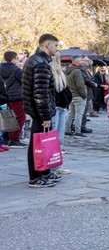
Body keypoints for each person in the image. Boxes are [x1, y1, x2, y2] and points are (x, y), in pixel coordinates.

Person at [22, 34, 63, 187]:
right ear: (47, 45)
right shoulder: (40, 63)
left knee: (40, 143)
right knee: (37, 144)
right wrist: (45, 116)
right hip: (39, 111)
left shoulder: (35, 60)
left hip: (36, 110)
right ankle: (35, 177)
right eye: (56, 45)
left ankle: (44, 172)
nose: (57, 49)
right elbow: (40, 93)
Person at [49, 53, 72, 174]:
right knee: (53, 139)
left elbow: (64, 90)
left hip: (61, 107)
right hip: (55, 108)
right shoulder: (48, 72)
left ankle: (56, 166)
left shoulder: (59, 73)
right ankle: (53, 167)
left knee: (58, 139)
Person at [0, 51, 27, 147]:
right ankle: (14, 138)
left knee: (9, 117)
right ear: (13, 59)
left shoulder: (0, 68)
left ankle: (8, 136)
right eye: (17, 59)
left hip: (5, 97)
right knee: (20, 117)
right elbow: (23, 81)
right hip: (17, 96)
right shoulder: (16, 70)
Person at [64, 55, 88, 137]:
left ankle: (67, 129)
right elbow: (80, 85)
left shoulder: (66, 70)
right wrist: (84, 96)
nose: (81, 61)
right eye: (80, 60)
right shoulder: (77, 71)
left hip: (70, 95)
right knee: (79, 114)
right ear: (76, 61)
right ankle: (78, 131)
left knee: (70, 113)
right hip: (78, 95)